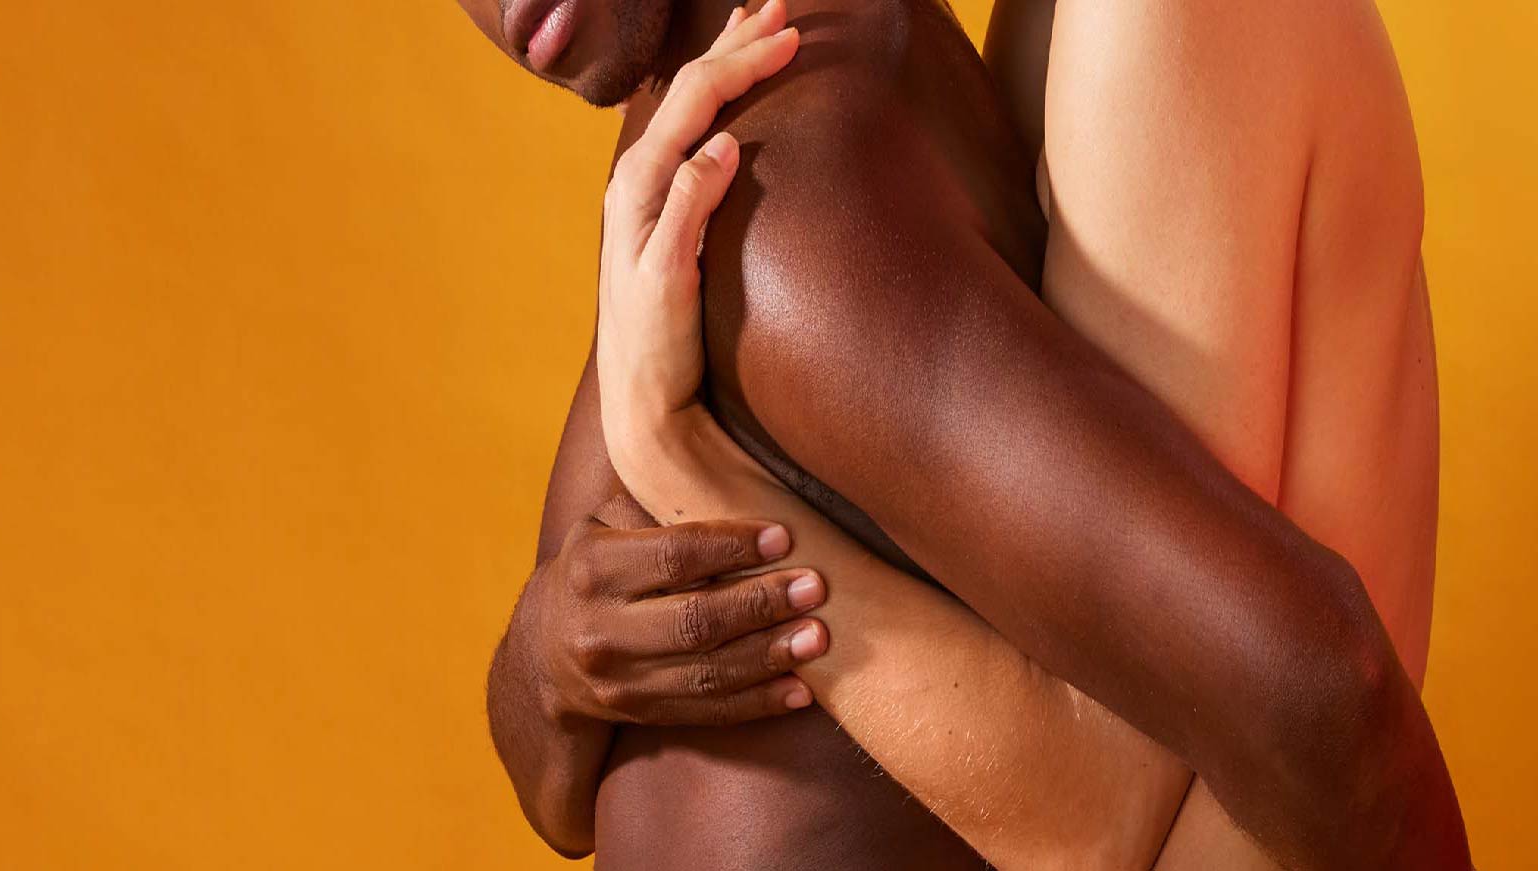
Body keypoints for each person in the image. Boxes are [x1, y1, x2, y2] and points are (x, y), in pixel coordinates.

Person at [463, 0, 1466, 867]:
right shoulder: (684, 159)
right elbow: (555, 792)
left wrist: (681, 472)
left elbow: (1319, 716)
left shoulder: (786, 200)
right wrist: (550, 658)